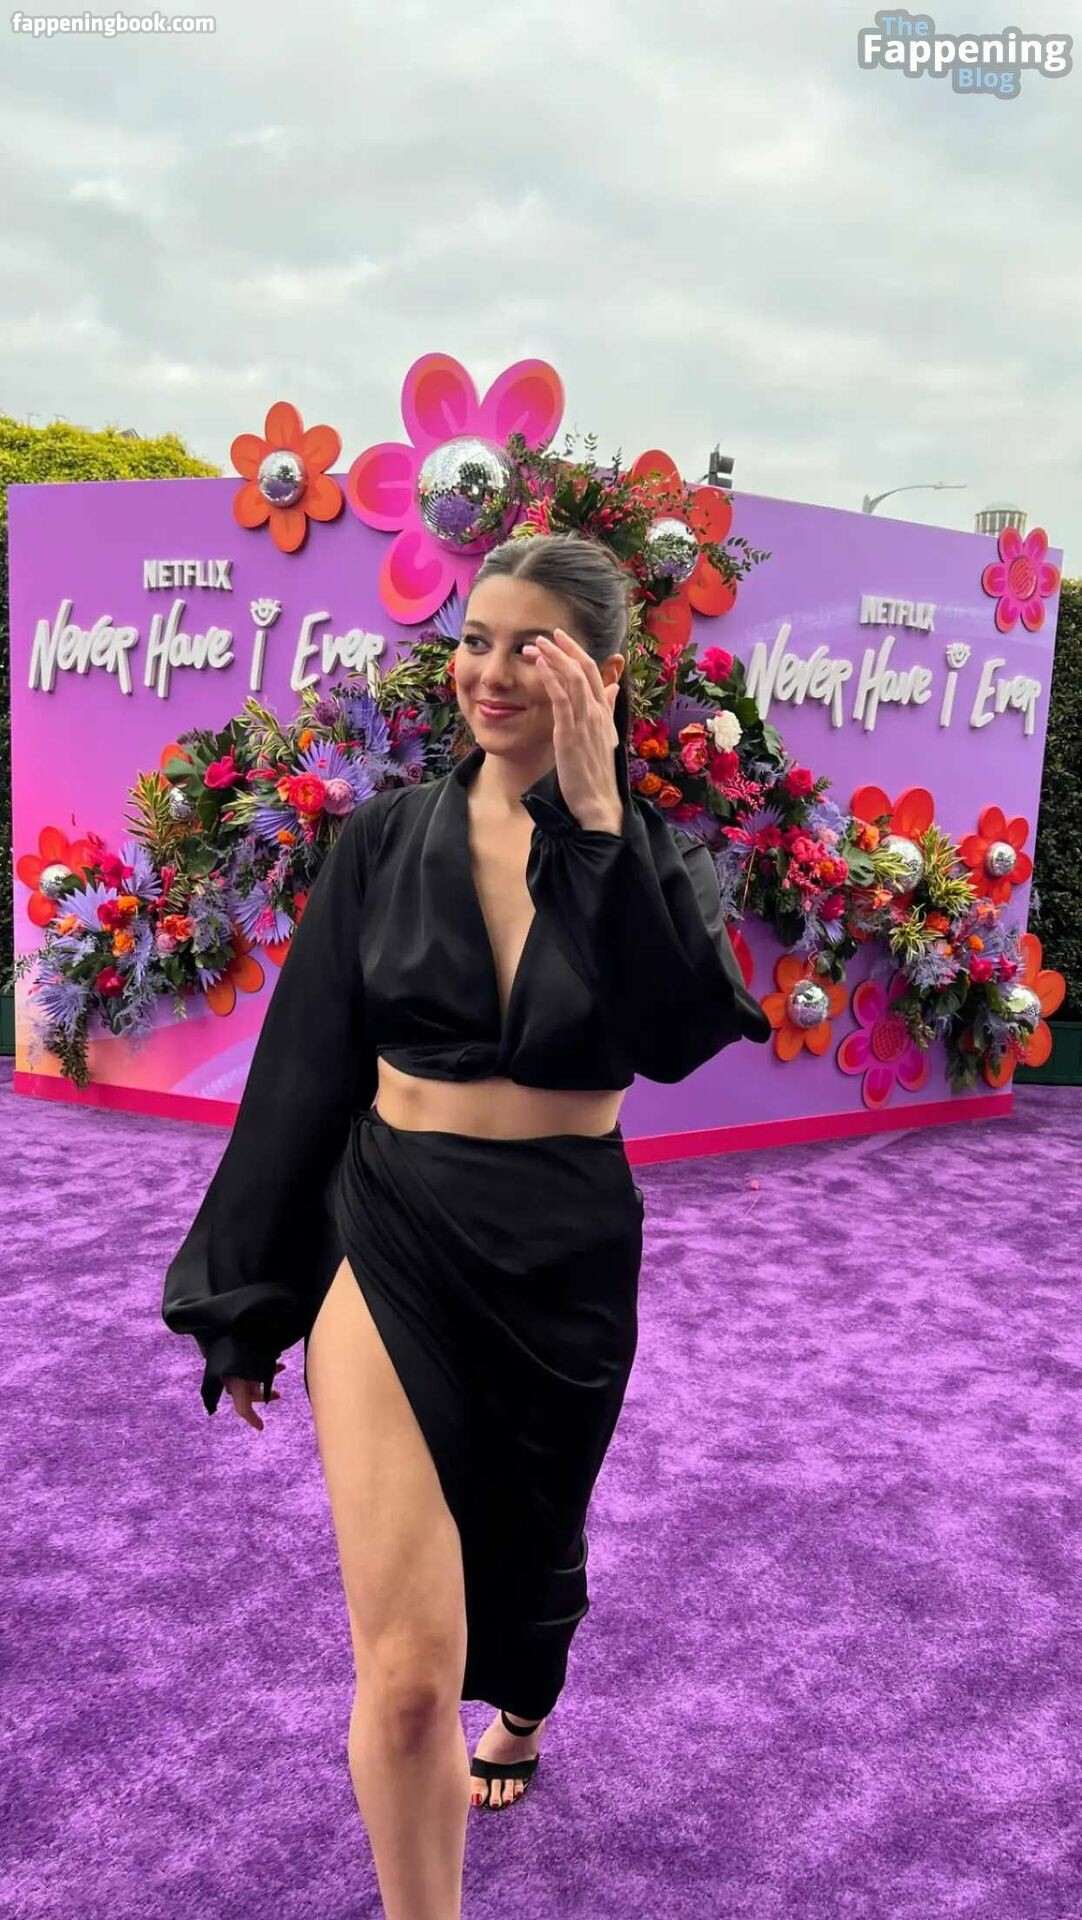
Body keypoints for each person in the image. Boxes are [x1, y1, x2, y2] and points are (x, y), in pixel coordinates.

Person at [162, 531, 771, 1920]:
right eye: (473, 642)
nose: (489, 674)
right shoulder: (382, 839)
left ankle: (528, 1706)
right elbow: (302, 1071)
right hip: (397, 1233)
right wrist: (249, 1297)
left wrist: (597, 823)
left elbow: (673, 1035)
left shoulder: (661, 857)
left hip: (566, 1252)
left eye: (528, 649)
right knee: (405, 1677)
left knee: (527, 1553)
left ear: (601, 678)